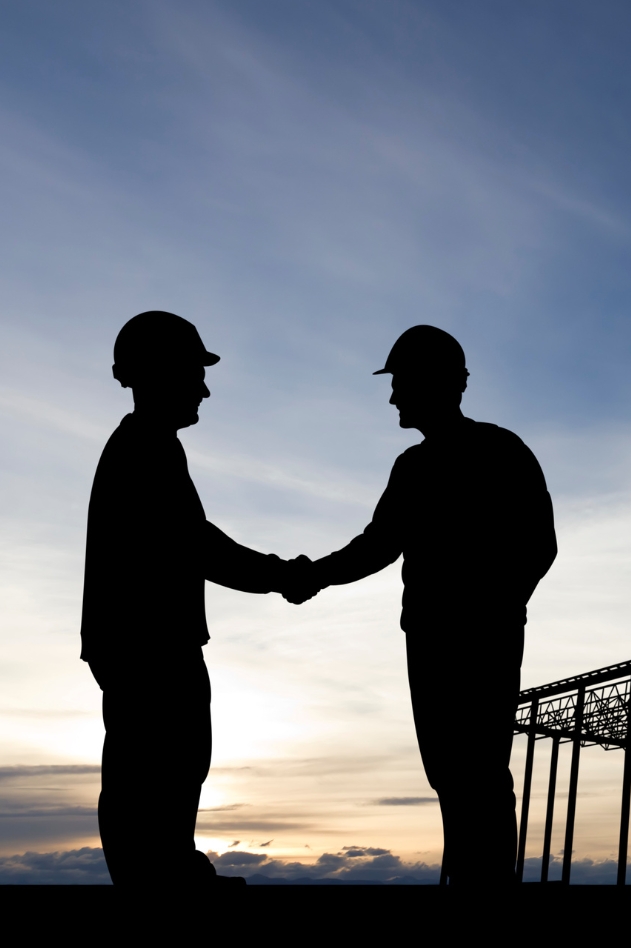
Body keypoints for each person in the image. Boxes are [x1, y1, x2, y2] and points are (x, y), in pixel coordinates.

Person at [286, 325, 557, 885]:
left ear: (439, 383)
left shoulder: (500, 450)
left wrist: (493, 607)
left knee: (477, 768)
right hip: (433, 638)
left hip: (477, 638)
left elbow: (539, 544)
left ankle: (485, 886)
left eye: (401, 383)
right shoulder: (414, 466)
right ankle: (468, 880)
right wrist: (315, 574)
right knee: (451, 770)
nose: (392, 397)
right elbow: (378, 545)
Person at [81, 311, 309, 886]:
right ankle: (161, 883)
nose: (204, 387)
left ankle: (168, 873)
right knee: (159, 768)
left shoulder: (147, 447)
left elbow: (194, 544)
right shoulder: (144, 451)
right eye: (193, 371)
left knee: (164, 768)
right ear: (158, 373)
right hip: (150, 646)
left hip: (144, 643)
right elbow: (199, 547)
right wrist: (282, 575)